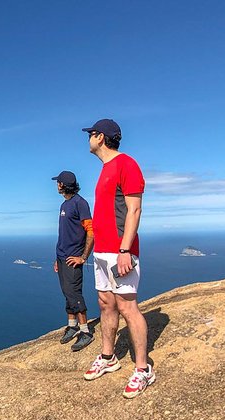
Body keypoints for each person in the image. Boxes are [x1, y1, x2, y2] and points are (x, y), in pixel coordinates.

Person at [82, 118, 154, 399]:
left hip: (120, 251)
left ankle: (142, 369)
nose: (88, 139)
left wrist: (125, 250)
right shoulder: (105, 169)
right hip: (102, 251)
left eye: (90, 134)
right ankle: (108, 357)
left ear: (100, 137)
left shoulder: (127, 164)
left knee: (128, 307)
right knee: (105, 303)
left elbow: (134, 210)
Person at [52, 170, 94, 352]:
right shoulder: (64, 204)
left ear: (62, 184)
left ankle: (86, 332)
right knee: (67, 293)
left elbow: (91, 231)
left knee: (75, 294)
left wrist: (83, 257)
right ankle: (72, 325)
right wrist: (57, 258)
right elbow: (64, 234)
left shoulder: (80, 203)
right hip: (62, 257)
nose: (56, 185)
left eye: (58, 182)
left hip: (73, 258)